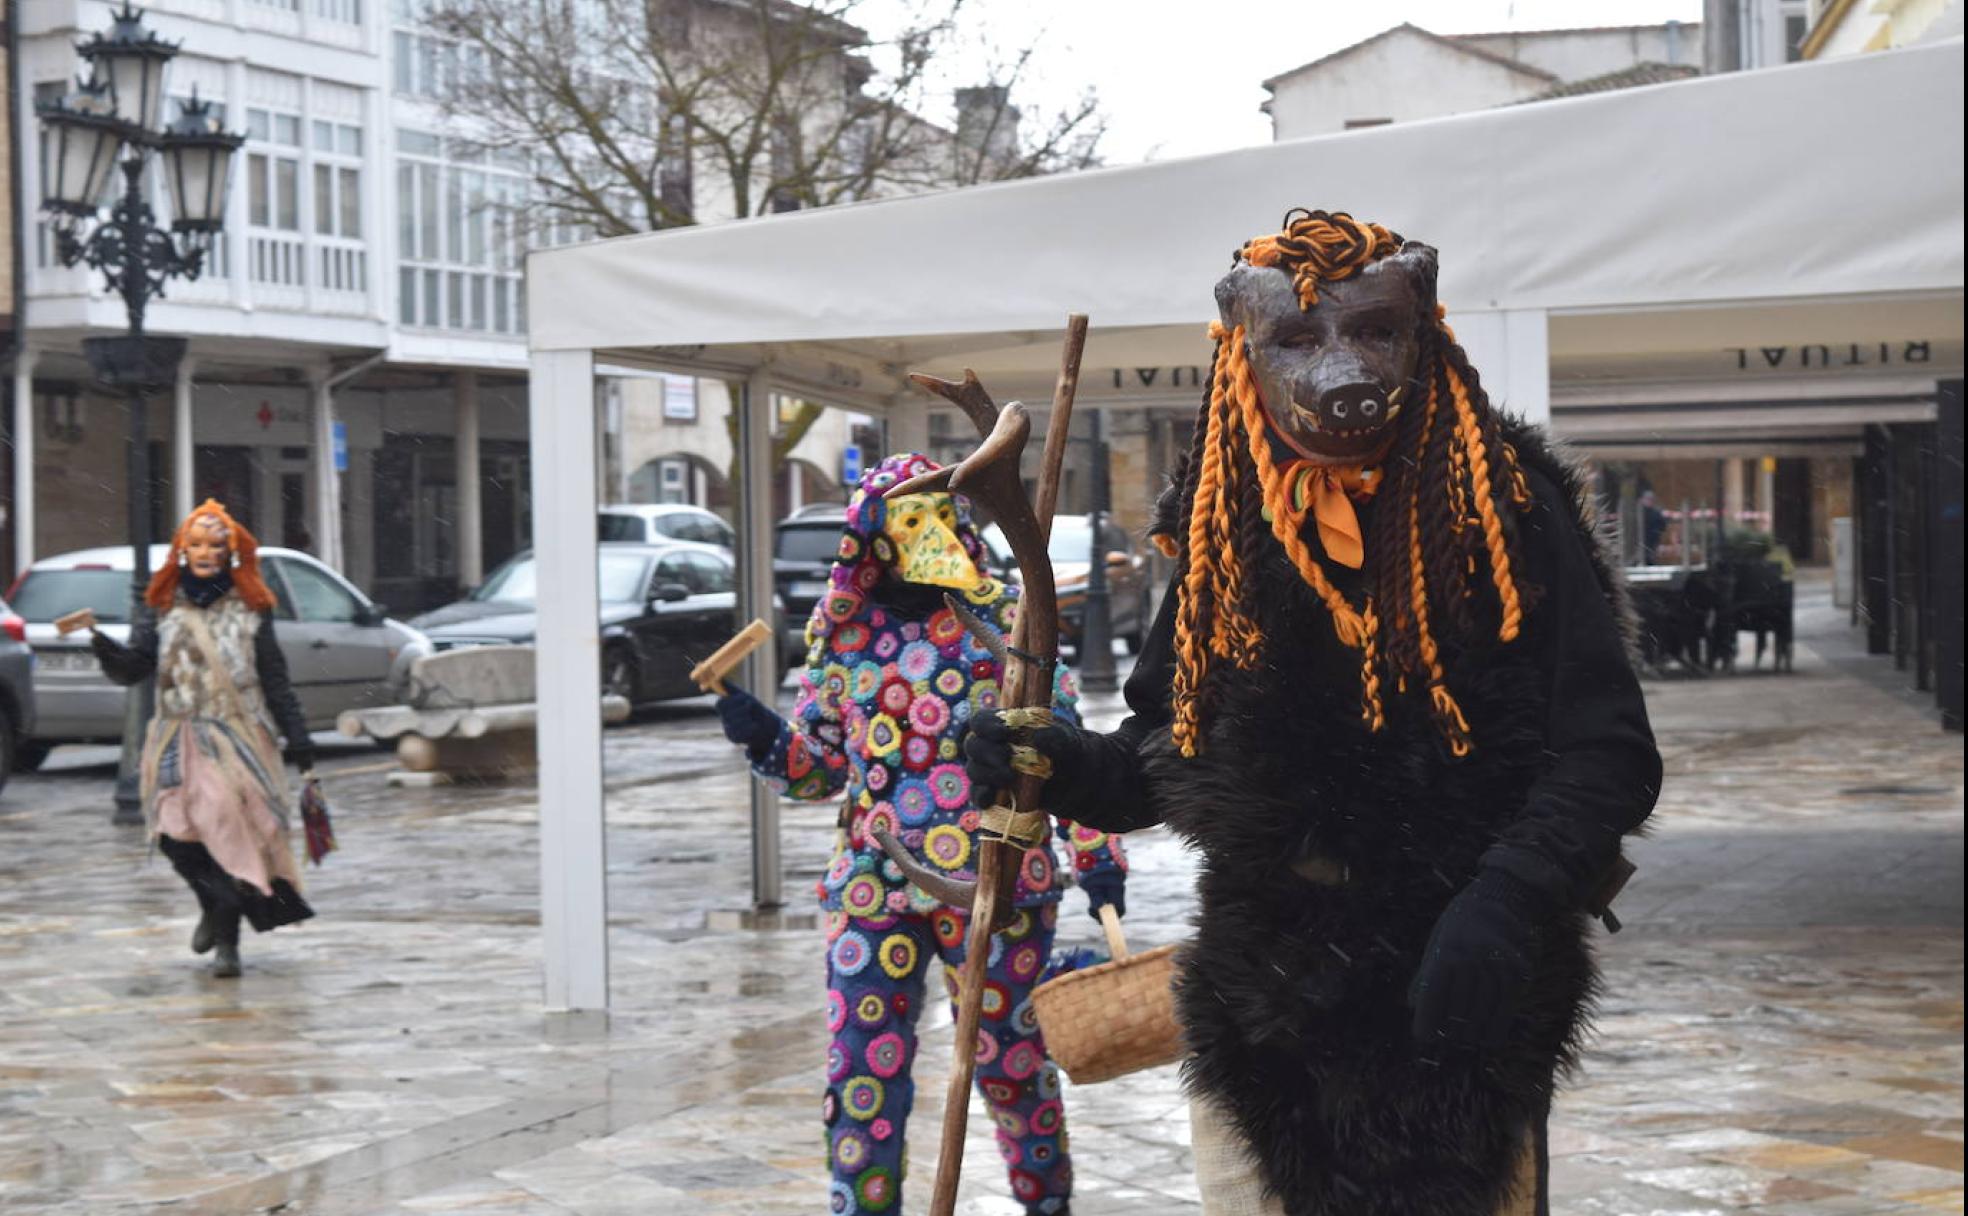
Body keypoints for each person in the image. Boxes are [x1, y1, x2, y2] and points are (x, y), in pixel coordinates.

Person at [964, 211, 1661, 1216]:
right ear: (1244, 350)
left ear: (1423, 334)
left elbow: (1607, 754)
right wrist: (1061, 766)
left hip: (1464, 983)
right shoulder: (1224, 525)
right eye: (1297, 338)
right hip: (1268, 991)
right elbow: (1168, 748)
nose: (1342, 366)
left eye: (1374, 330)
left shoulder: (1504, 508)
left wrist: (1507, 900)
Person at [713, 453, 1127, 1216]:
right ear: (872, 536)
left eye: (940, 512)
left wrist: (1098, 857)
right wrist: (764, 736)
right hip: (872, 884)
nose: (927, 532)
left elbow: (1062, 747)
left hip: (999, 881)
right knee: (863, 1073)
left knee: (1009, 1062)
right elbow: (820, 768)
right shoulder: (843, 634)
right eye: (908, 518)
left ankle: (1047, 1205)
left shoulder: (1009, 619)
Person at [91, 500, 316, 978]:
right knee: (174, 836)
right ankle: (215, 904)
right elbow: (134, 669)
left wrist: (299, 739)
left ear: (231, 552)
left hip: (235, 735)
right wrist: (104, 648)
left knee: (224, 829)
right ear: (181, 551)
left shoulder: (252, 605)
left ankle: (228, 947)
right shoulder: (161, 605)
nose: (205, 552)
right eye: (195, 544)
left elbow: (275, 679)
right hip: (175, 736)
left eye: (216, 545)